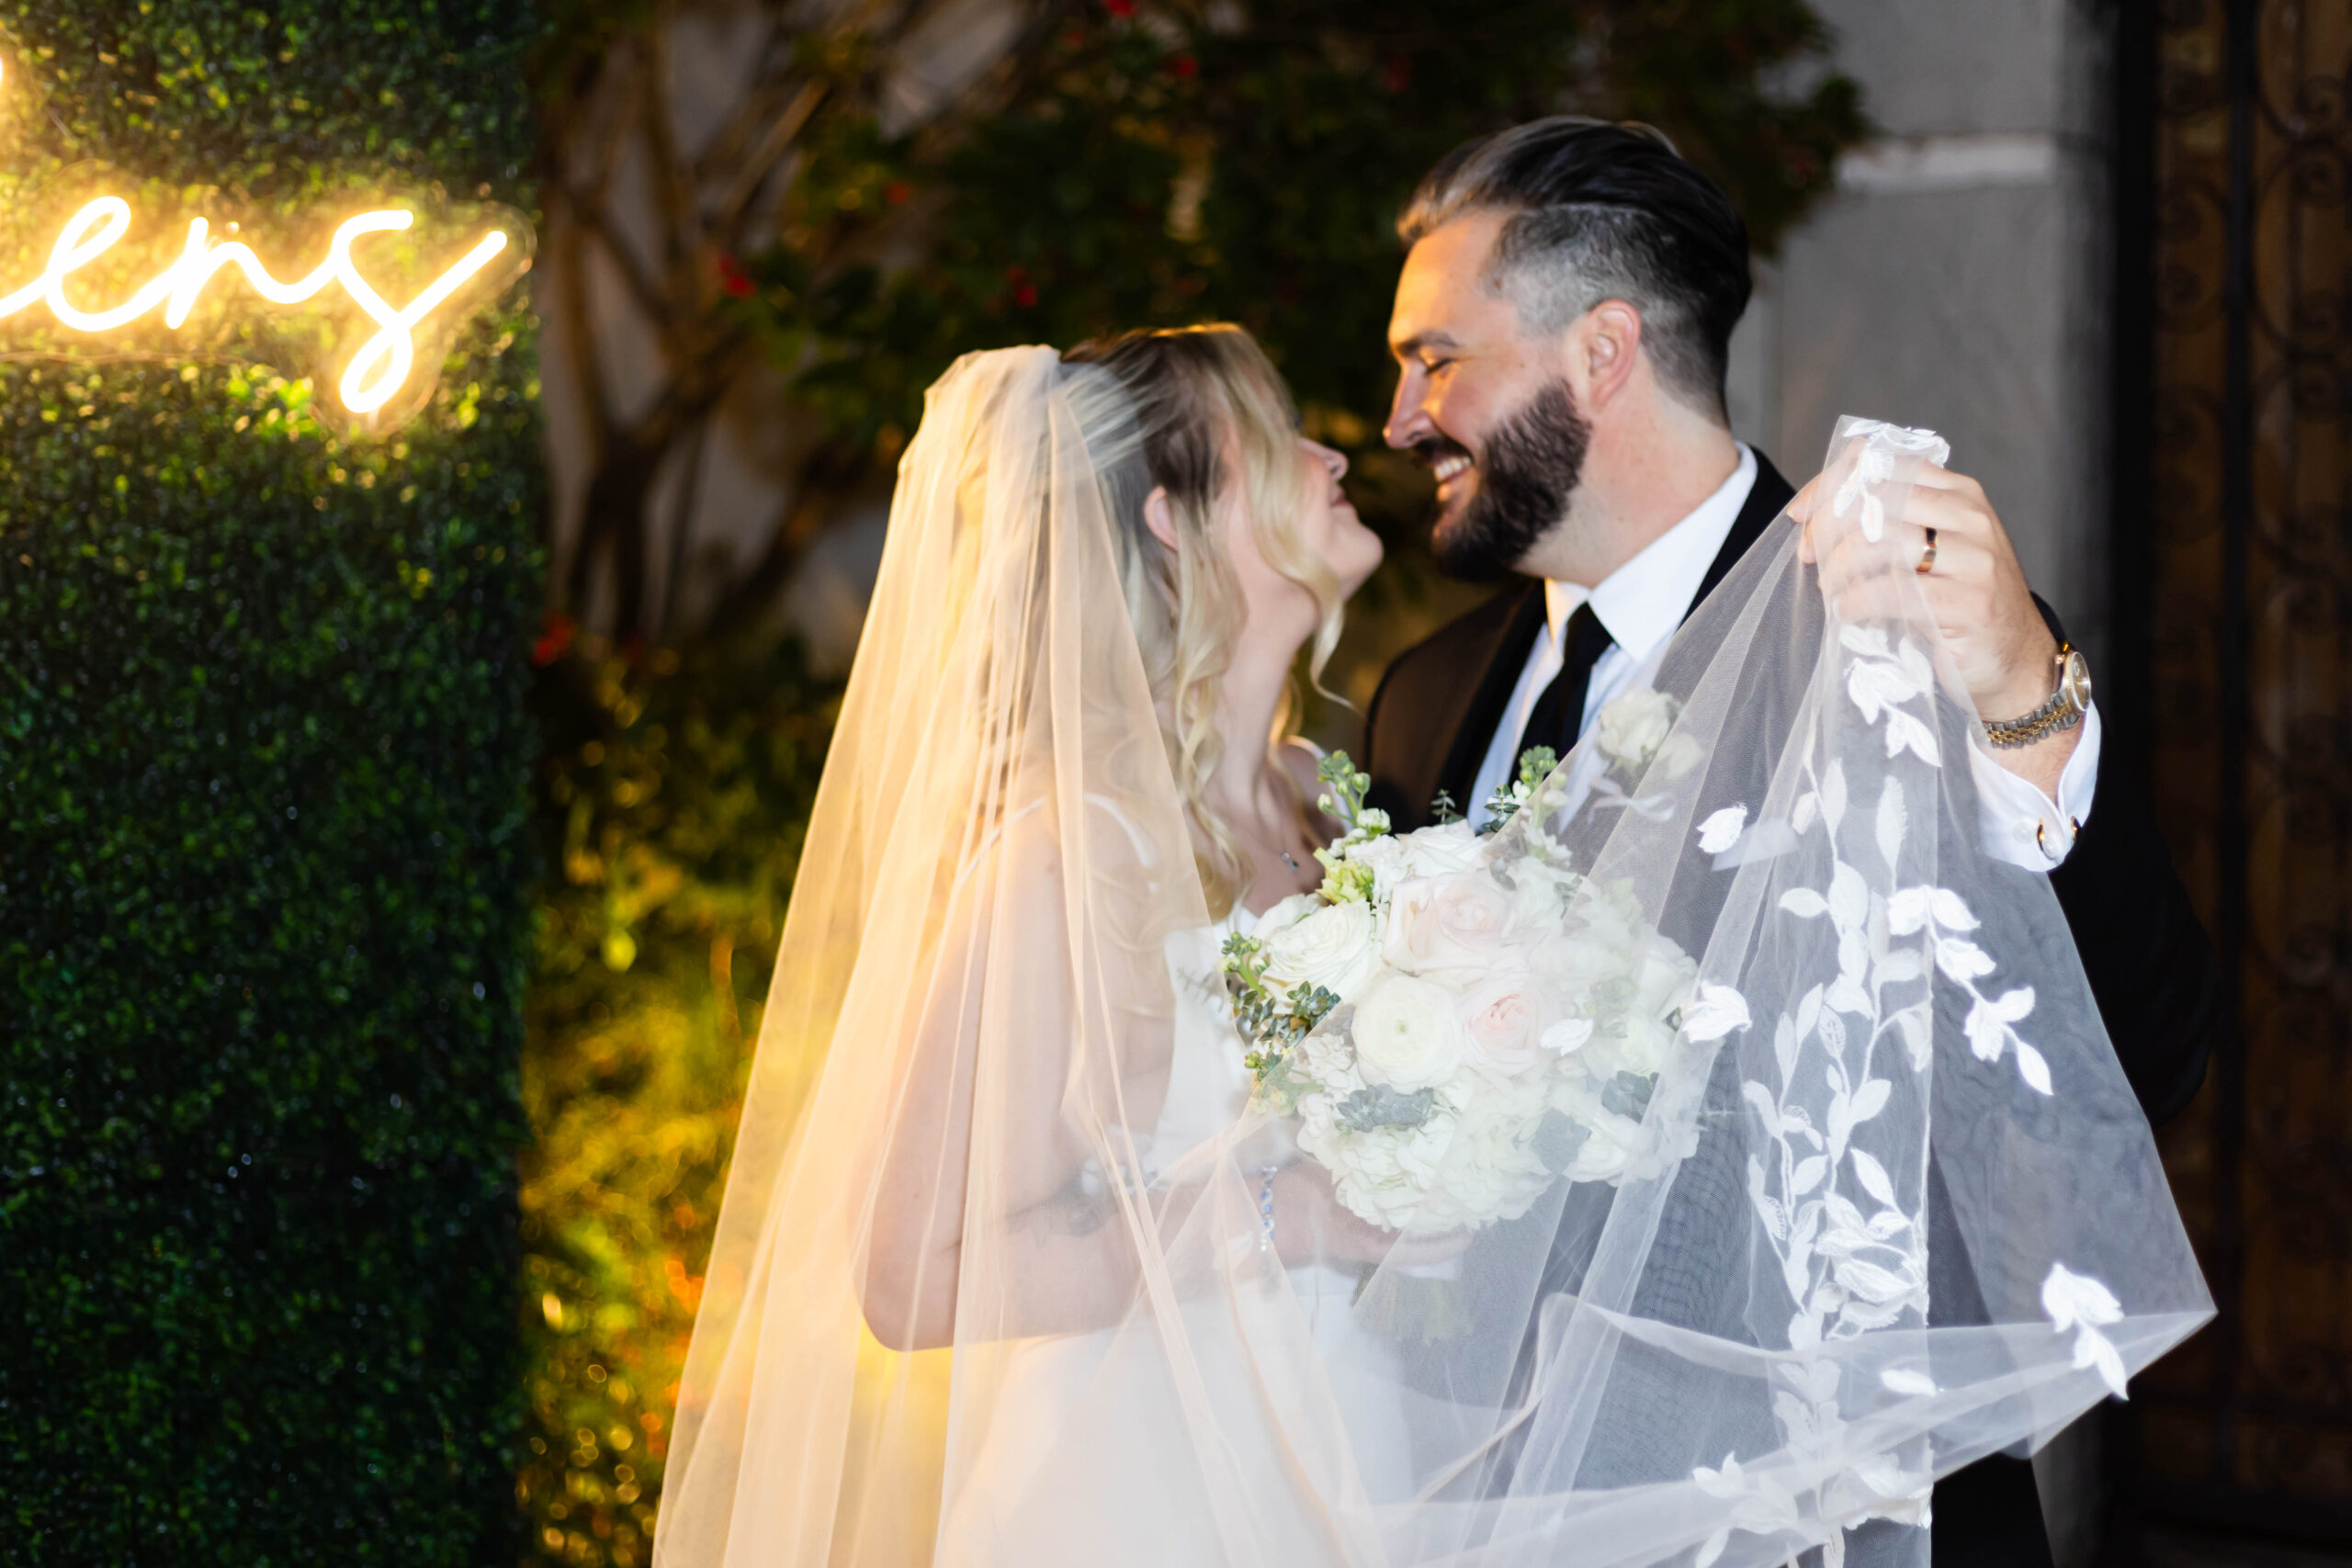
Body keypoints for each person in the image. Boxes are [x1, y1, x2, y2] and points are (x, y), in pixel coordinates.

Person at [653, 328, 2211, 1568]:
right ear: (1174, 516)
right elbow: (911, 1275)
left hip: (1393, 1460)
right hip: (1149, 1475)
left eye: (1425, 361)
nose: (1353, 443)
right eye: (1282, 436)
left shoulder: (1340, 801)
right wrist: (1301, 1213)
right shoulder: (1067, 853)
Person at [1363, 117, 2222, 1566]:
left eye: (1434, 358)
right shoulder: (1426, 695)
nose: (1396, 417)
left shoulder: (1900, 643)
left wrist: (2025, 703)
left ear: (1602, 353)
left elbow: (2149, 1047)